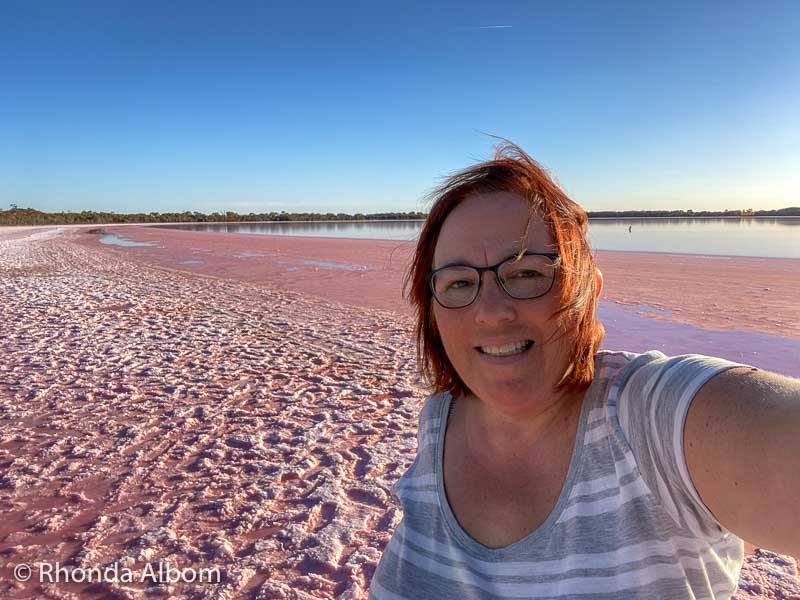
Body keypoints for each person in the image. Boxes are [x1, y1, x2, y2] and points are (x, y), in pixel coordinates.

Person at [369, 142, 799, 599]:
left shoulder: (653, 421)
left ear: (587, 290)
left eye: (528, 273)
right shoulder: (439, 419)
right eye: (458, 282)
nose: (491, 311)